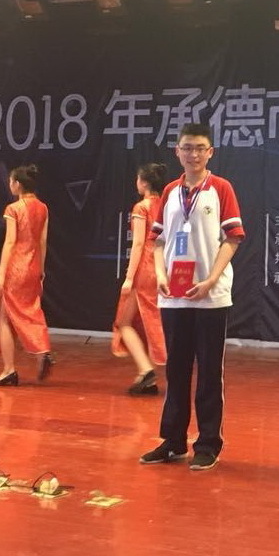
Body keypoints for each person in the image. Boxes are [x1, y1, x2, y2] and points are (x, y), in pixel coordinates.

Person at [139, 123, 244, 471]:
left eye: (200, 148)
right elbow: (157, 240)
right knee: (177, 370)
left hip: (210, 295)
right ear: (177, 152)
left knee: (210, 371)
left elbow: (233, 238)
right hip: (174, 296)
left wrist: (211, 279)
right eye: (187, 148)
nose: (193, 154)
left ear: (210, 152)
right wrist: (161, 274)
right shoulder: (170, 191)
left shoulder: (221, 188)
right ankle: (173, 440)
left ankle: (208, 443)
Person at [0, 164, 55, 386]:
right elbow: (43, 241)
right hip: (33, 266)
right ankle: (42, 350)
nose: (9, 184)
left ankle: (9, 370)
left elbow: (10, 242)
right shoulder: (43, 208)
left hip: (16, 267)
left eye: (11, 181)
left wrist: (0, 274)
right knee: (31, 311)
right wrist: (41, 269)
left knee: (5, 318)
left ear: (17, 184)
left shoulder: (13, 208)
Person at [112, 163, 168, 395]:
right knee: (148, 321)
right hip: (162, 267)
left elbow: (138, 244)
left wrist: (129, 277)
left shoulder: (141, 207)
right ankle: (147, 375)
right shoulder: (165, 205)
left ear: (144, 183)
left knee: (123, 322)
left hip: (145, 268)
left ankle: (146, 369)